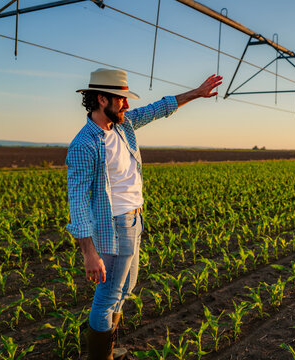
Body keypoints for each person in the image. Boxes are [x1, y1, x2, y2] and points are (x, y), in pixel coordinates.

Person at [66, 68, 222, 359]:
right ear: (102, 100)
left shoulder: (123, 126)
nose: (127, 105)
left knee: (126, 287)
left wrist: (196, 93)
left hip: (134, 220)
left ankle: (107, 347)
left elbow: (159, 108)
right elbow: (76, 203)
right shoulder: (84, 145)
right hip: (113, 226)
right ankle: (101, 357)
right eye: (121, 99)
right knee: (108, 295)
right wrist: (89, 253)